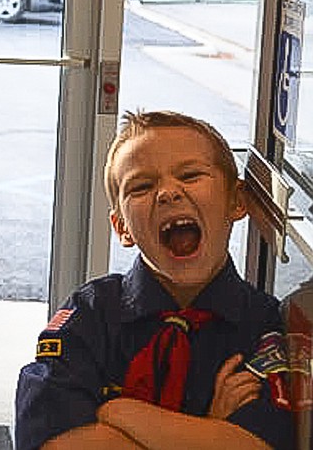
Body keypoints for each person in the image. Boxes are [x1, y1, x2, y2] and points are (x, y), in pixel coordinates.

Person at [15, 110, 293, 450]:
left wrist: (121, 411)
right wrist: (208, 431)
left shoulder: (263, 323)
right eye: (142, 186)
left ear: (236, 201)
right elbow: (55, 444)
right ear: (122, 228)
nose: (168, 193)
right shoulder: (90, 314)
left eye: (190, 176)